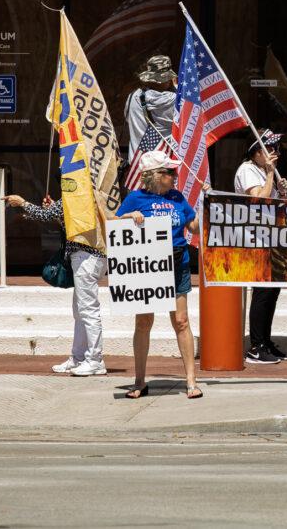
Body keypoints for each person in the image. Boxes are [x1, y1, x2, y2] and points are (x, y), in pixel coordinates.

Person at [116, 150, 203, 399]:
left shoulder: (177, 197)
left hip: (177, 263)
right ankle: (140, 380)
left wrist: (204, 212)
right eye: (170, 172)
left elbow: (192, 225)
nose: (175, 176)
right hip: (148, 267)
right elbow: (115, 221)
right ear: (155, 176)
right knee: (143, 322)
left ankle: (190, 380)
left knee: (182, 321)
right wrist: (129, 217)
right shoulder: (135, 198)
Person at [4, 193, 109, 377]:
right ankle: (79, 357)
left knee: (88, 310)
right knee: (80, 311)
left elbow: (43, 215)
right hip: (91, 257)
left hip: (85, 258)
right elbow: (73, 225)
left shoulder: (75, 195)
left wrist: (22, 202)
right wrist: (55, 209)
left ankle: (95, 360)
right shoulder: (89, 195)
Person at [234, 129, 287, 364]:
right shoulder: (247, 170)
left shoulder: (264, 170)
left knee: (272, 292)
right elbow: (259, 201)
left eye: (276, 148)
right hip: (254, 239)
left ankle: (266, 341)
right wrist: (270, 176)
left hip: (272, 238)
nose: (275, 152)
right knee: (261, 293)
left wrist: (283, 190)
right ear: (256, 152)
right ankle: (256, 346)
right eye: (270, 149)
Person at [125, 54, 177, 155]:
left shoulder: (133, 97)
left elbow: (127, 118)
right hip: (166, 162)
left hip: (139, 162)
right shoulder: (174, 100)